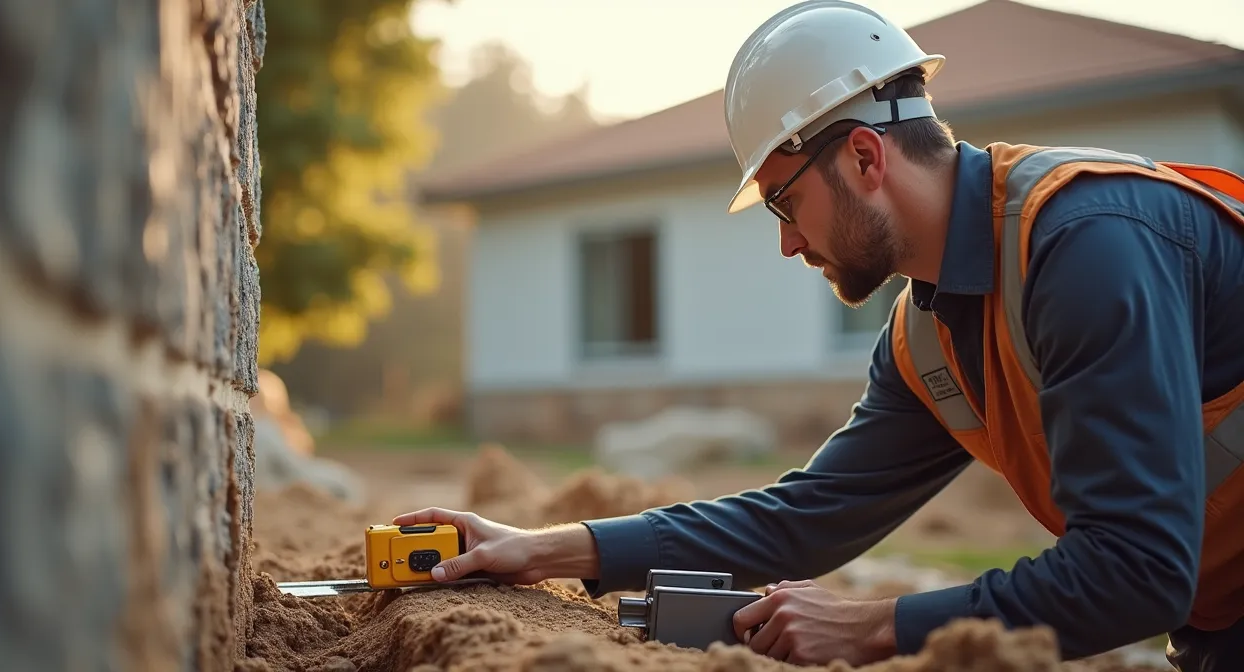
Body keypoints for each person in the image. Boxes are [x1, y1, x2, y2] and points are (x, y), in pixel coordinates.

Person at [394, 2, 1244, 669]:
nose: (787, 243)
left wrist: (877, 626)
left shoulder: (1088, 245)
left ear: (867, 160)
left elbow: (1137, 569)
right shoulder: (929, 333)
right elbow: (805, 517)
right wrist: (542, 550)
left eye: (783, 201)